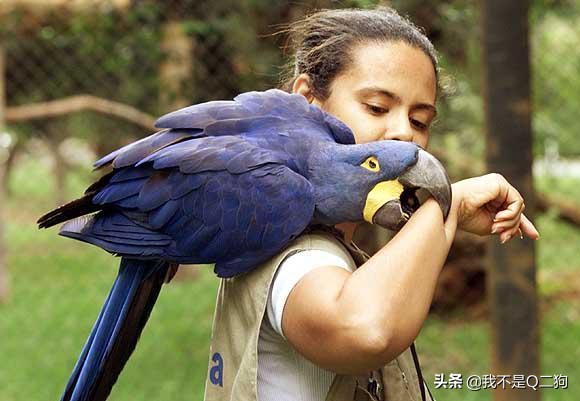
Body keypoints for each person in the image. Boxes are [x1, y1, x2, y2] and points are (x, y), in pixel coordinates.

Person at [204, 7, 540, 401]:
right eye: (377, 108)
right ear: (308, 102)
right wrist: (445, 206)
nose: (403, 133)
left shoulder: (328, 245)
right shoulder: (298, 253)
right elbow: (364, 329)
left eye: (419, 120)